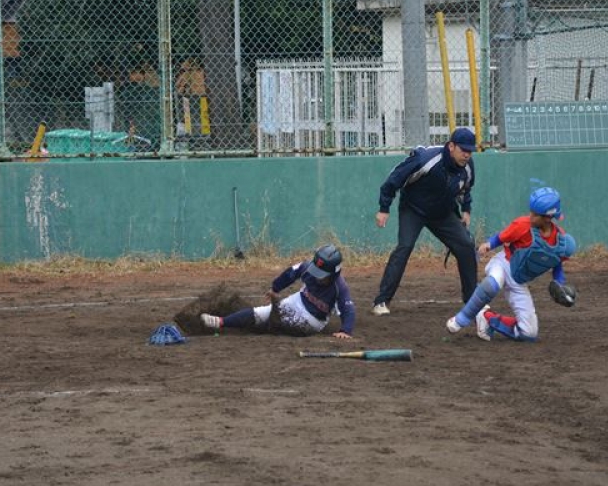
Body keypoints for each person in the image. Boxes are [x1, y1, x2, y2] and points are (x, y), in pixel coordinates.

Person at [445, 186, 576, 342]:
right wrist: (488, 245)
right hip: (503, 263)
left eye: (535, 214)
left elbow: (557, 263)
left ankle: (487, 318)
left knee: (529, 333)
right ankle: (461, 319)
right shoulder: (523, 225)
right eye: (531, 212)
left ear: (548, 218)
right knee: (491, 285)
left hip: (518, 281)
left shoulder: (560, 242)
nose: (531, 216)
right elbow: (500, 237)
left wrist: (560, 284)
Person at [371, 127, 479, 316]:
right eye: (463, 150)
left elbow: (465, 189)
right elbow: (395, 178)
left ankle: (472, 301)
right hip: (413, 209)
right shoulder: (426, 159)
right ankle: (381, 301)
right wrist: (384, 208)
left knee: (466, 246)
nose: (467, 155)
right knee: (405, 247)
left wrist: (466, 209)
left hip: (442, 213)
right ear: (451, 146)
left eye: (470, 151)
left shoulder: (467, 167)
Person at [200, 244, 355, 338]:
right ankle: (221, 322)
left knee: (285, 322)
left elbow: (348, 309)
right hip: (298, 300)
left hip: (313, 319)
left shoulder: (339, 287)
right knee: (264, 312)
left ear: (334, 274)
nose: (316, 276)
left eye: (322, 275)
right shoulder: (307, 268)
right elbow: (290, 274)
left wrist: (345, 330)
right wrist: (275, 288)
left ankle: (259, 327)